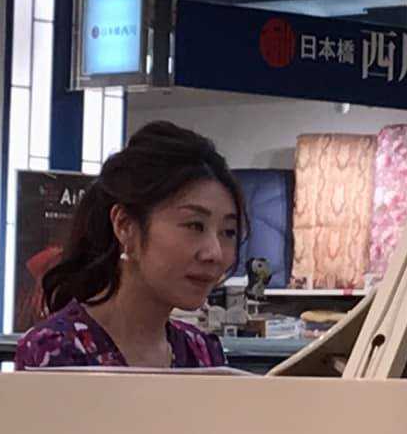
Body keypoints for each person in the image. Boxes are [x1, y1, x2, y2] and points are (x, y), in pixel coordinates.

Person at [15, 121, 247, 369]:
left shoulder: (202, 352)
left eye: (228, 232)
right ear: (125, 225)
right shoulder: (56, 350)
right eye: (194, 226)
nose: (215, 253)